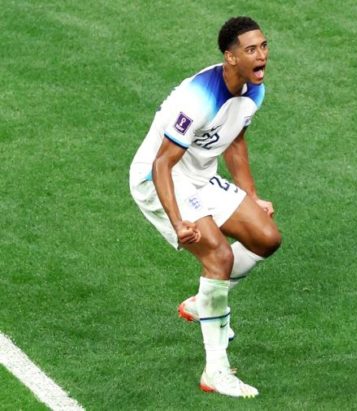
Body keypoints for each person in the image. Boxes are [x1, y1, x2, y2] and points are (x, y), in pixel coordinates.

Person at [129, 16, 281, 398]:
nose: (261, 55)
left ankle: (205, 300)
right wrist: (178, 221)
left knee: (266, 237)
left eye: (263, 46)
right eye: (251, 49)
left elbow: (236, 141)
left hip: (198, 175)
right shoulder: (198, 98)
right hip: (159, 178)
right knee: (218, 256)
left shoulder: (253, 90)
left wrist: (251, 195)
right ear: (230, 57)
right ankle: (216, 370)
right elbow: (162, 163)